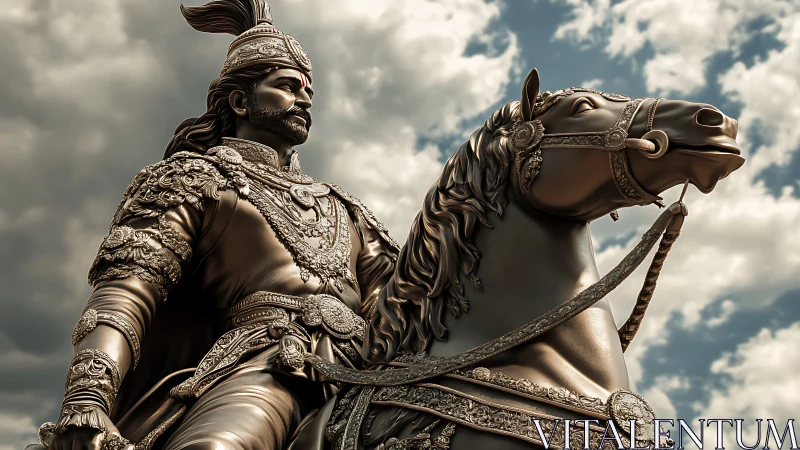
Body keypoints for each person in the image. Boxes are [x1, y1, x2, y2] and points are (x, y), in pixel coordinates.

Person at [32, 1, 399, 449]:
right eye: (286, 87)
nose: (303, 99)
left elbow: (406, 305)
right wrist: (88, 397)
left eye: (307, 92)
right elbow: (128, 290)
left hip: (370, 377)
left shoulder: (350, 210)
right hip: (270, 367)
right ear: (240, 101)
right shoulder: (193, 179)